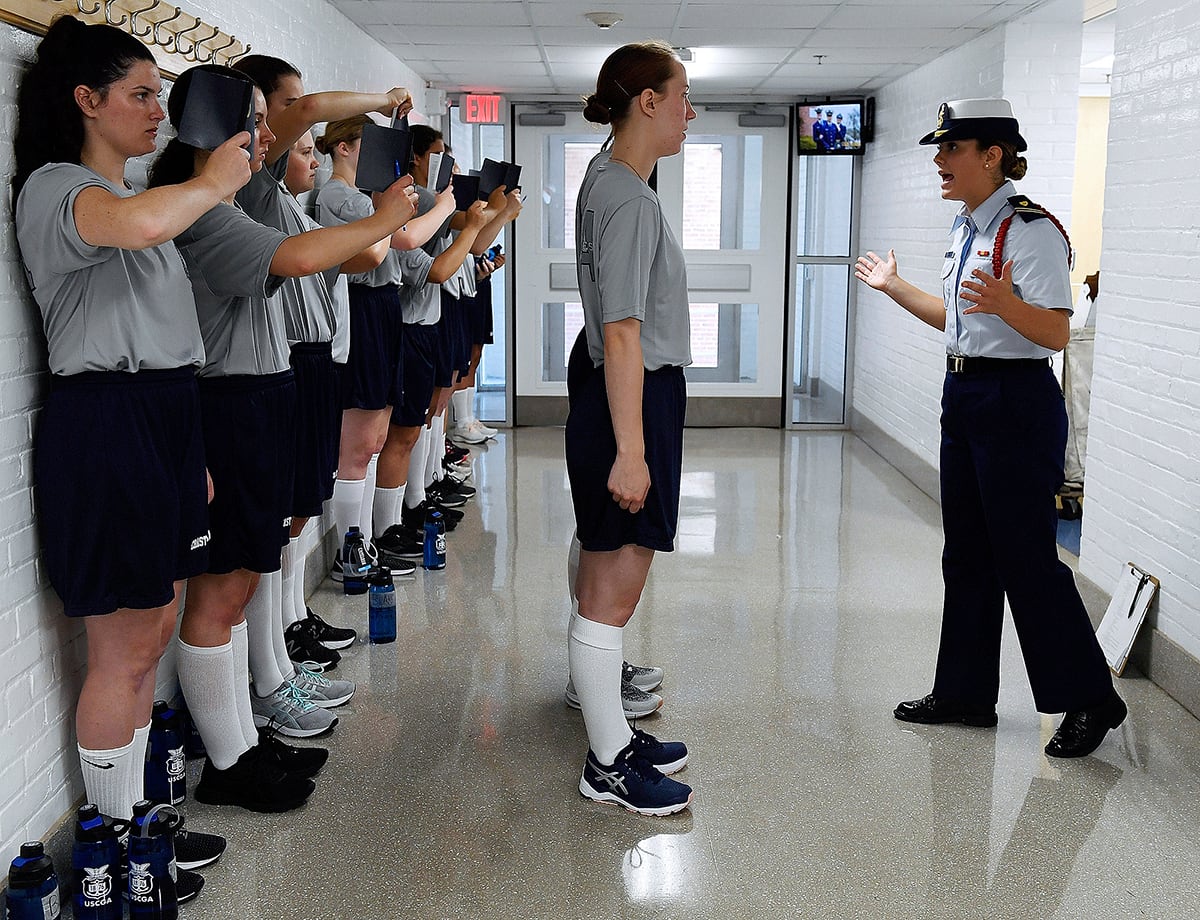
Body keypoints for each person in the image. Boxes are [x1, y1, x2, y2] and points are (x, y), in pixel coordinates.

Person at [11, 15, 242, 882]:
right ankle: (119, 856)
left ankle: (142, 821)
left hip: (164, 417)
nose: (157, 111)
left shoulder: (137, 195)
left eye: (158, 94)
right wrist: (215, 180)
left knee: (152, 636)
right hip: (106, 422)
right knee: (123, 647)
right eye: (141, 94)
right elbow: (138, 226)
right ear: (87, 100)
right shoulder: (58, 190)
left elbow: (163, 311)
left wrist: (191, 451)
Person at [149, 65, 416, 809]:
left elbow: (302, 118)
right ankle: (230, 764)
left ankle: (241, 739)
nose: (273, 135)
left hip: (259, 393)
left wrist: (374, 104)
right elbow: (298, 257)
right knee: (222, 590)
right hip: (229, 401)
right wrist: (385, 214)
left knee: (236, 586)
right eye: (257, 121)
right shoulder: (205, 210)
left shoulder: (242, 193)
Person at [853, 98, 1126, 759]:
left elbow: (1056, 330)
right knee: (967, 555)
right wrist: (895, 287)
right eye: (939, 151)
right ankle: (966, 693)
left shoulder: (1030, 230)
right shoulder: (968, 227)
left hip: (1015, 401)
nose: (940, 161)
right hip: (967, 392)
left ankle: (1093, 698)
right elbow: (957, 321)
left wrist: (1010, 305)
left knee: (1026, 558)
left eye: (951, 149)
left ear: (992, 155)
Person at [565, 40, 697, 816]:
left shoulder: (611, 179)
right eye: (682, 97)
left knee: (606, 571)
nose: (688, 113)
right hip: (633, 394)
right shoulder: (626, 194)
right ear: (647, 100)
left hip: (626, 388)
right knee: (613, 585)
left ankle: (612, 733)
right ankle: (608, 761)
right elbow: (621, 332)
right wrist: (631, 450)